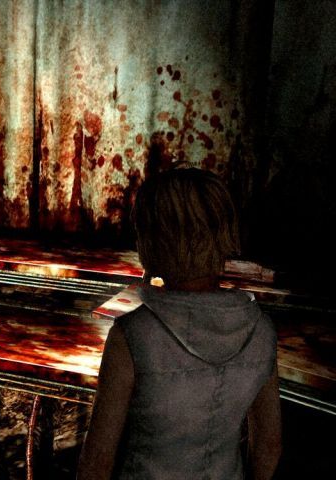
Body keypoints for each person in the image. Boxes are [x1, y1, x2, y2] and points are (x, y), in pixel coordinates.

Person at [77, 168, 281, 480]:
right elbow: (268, 446)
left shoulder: (133, 334)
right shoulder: (261, 330)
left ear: (153, 240)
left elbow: (97, 461)